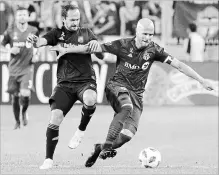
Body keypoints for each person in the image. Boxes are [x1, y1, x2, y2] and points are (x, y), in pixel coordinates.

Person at [50, 18, 215, 167]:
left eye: (151, 34)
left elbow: (179, 65)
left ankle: (99, 148)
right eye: (145, 33)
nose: (148, 37)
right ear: (137, 32)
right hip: (116, 87)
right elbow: (92, 47)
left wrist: (201, 80)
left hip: (137, 96)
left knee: (127, 135)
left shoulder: (154, 50)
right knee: (126, 106)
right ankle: (107, 147)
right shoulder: (122, 45)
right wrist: (68, 50)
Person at [27, 4, 99, 170]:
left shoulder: (86, 32)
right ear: (64, 19)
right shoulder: (56, 33)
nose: (75, 22)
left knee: (90, 99)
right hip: (65, 84)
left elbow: (94, 45)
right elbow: (41, 42)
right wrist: (35, 41)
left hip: (85, 81)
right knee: (55, 118)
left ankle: (80, 131)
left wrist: (72, 48)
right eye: (72, 20)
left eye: (77, 19)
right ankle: (48, 160)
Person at [1, 6, 38, 129]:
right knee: (15, 96)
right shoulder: (10, 30)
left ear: (28, 16)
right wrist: (9, 49)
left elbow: (38, 45)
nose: (22, 17)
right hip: (13, 69)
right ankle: (17, 121)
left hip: (27, 68)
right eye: (19, 15)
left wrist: (36, 55)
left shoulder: (33, 30)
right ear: (16, 17)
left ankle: (23, 113)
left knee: (25, 94)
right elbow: (1, 46)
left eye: (24, 14)